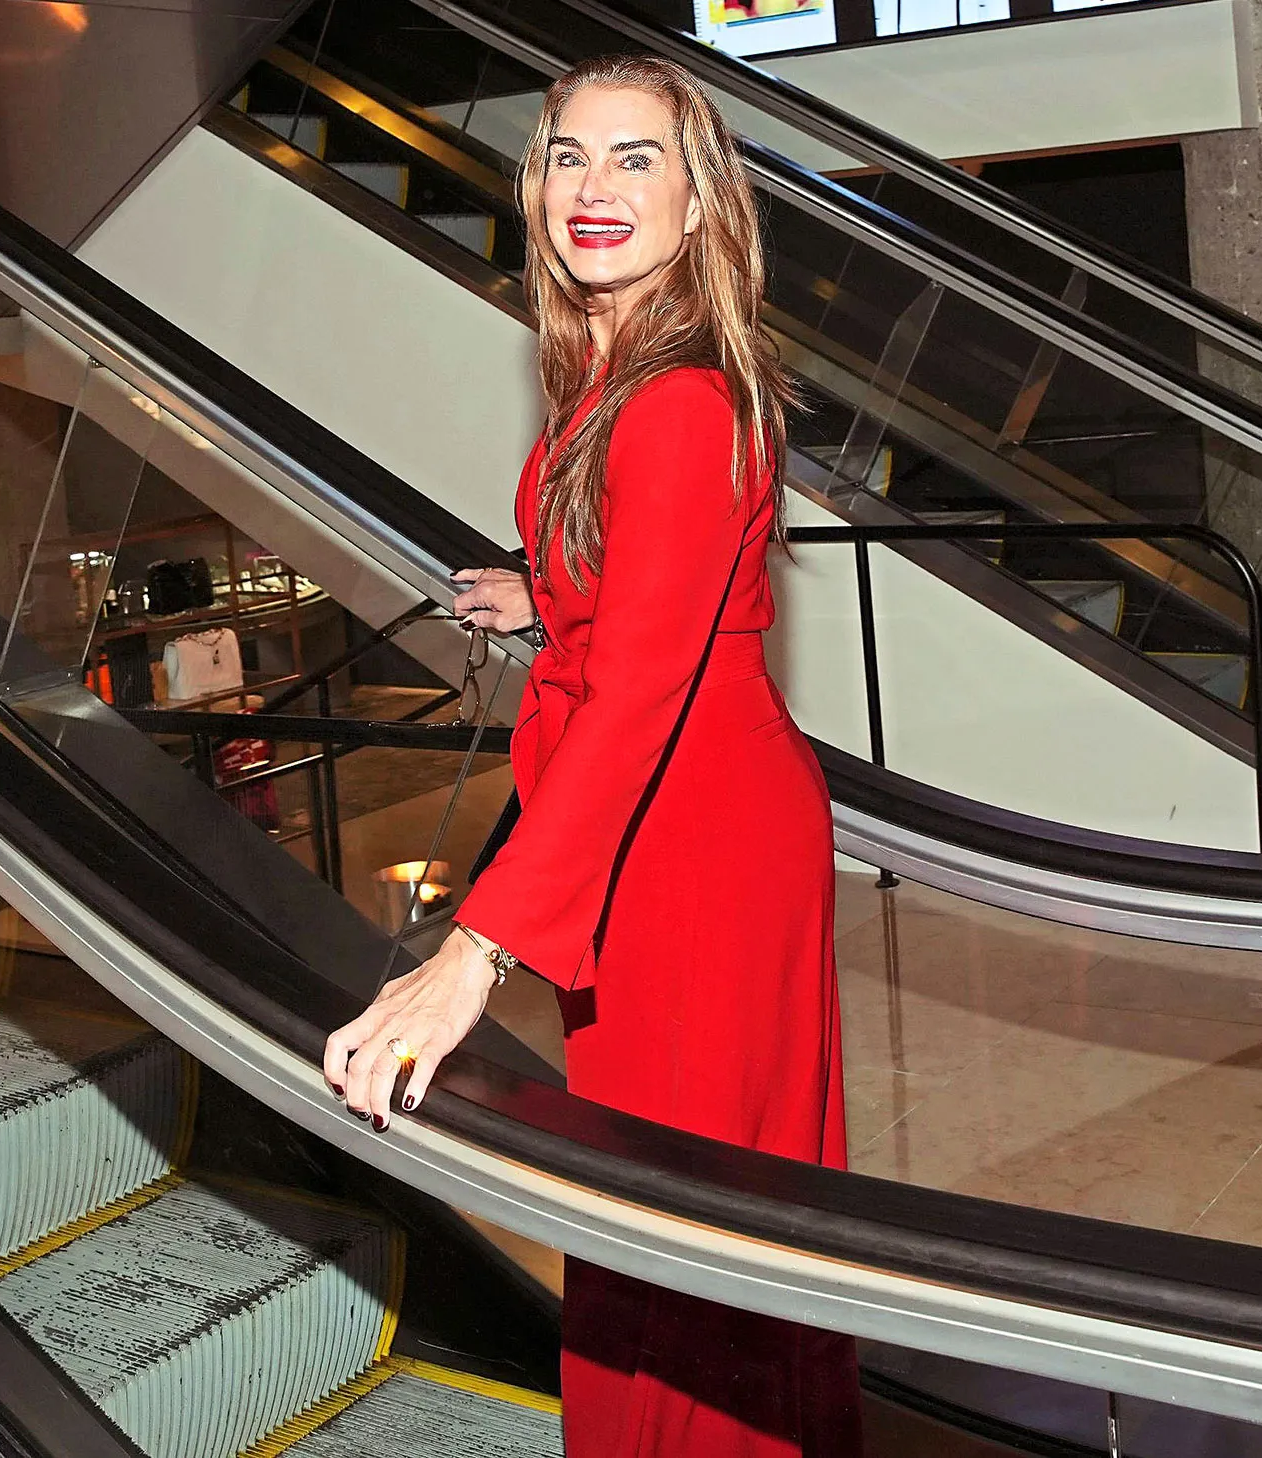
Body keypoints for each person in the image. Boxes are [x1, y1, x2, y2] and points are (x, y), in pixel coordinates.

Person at [323, 54, 861, 1458]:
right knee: (658, 1210)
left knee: (678, 1222)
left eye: (636, 159)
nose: (594, 188)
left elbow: (636, 697)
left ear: (698, 202)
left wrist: (473, 950)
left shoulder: (679, 397)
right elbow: (649, 589)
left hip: (696, 849)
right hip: (672, 824)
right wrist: (546, 589)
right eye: (568, 156)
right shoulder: (627, 359)